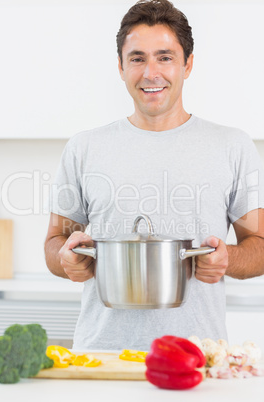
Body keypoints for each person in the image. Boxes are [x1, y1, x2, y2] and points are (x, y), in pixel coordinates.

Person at [45, 0, 264, 350]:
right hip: (102, 358)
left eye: (164, 57)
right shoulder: (84, 148)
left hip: (195, 360)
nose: (151, 73)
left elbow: (260, 247)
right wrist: (66, 259)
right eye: (137, 58)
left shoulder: (231, 146)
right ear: (120, 66)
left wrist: (229, 259)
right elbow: (55, 241)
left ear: (187, 64)